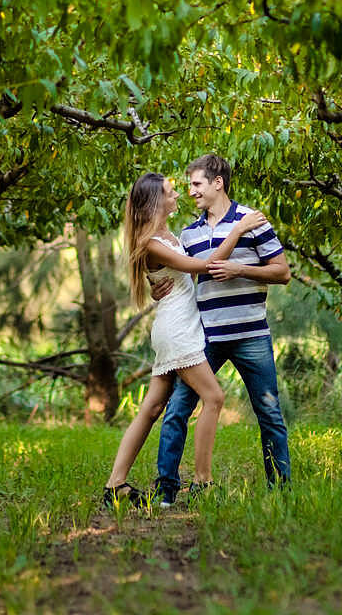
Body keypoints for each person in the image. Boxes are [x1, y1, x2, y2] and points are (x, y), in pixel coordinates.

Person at [102, 172, 267, 508]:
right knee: (214, 397)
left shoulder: (165, 235)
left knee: (152, 408)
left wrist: (158, 287)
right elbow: (206, 266)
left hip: (177, 325)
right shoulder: (151, 242)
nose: (178, 194)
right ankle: (203, 482)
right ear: (155, 201)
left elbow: (178, 276)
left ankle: (115, 484)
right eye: (170, 191)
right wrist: (238, 229)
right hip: (177, 329)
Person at [153, 154, 291, 506]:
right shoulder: (188, 233)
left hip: (251, 334)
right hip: (205, 336)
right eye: (189, 185)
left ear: (218, 183)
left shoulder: (252, 220)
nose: (191, 191)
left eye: (197, 184)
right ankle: (166, 489)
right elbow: (182, 275)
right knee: (177, 409)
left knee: (269, 413)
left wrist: (240, 270)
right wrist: (156, 288)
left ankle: (281, 490)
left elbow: (282, 272)